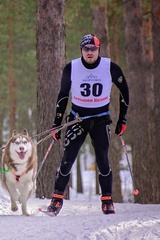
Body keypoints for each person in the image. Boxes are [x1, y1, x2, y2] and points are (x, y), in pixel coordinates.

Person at [47, 34, 129, 215]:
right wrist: (56, 123)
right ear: (81, 50)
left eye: (93, 48)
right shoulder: (72, 68)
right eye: (86, 49)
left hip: (100, 119)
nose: (90, 52)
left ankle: (107, 200)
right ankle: (56, 200)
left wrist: (122, 119)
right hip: (78, 119)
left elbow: (124, 92)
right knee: (68, 158)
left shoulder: (110, 67)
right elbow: (62, 96)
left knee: (103, 159)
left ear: (98, 49)